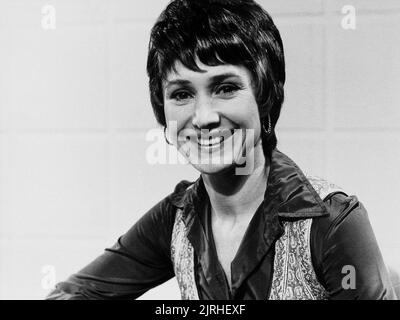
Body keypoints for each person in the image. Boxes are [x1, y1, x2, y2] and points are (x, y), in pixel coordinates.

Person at [47, 0, 396, 300]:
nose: (203, 117)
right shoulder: (176, 218)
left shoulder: (331, 222)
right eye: (181, 94)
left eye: (225, 88)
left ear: (265, 96)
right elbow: (71, 293)